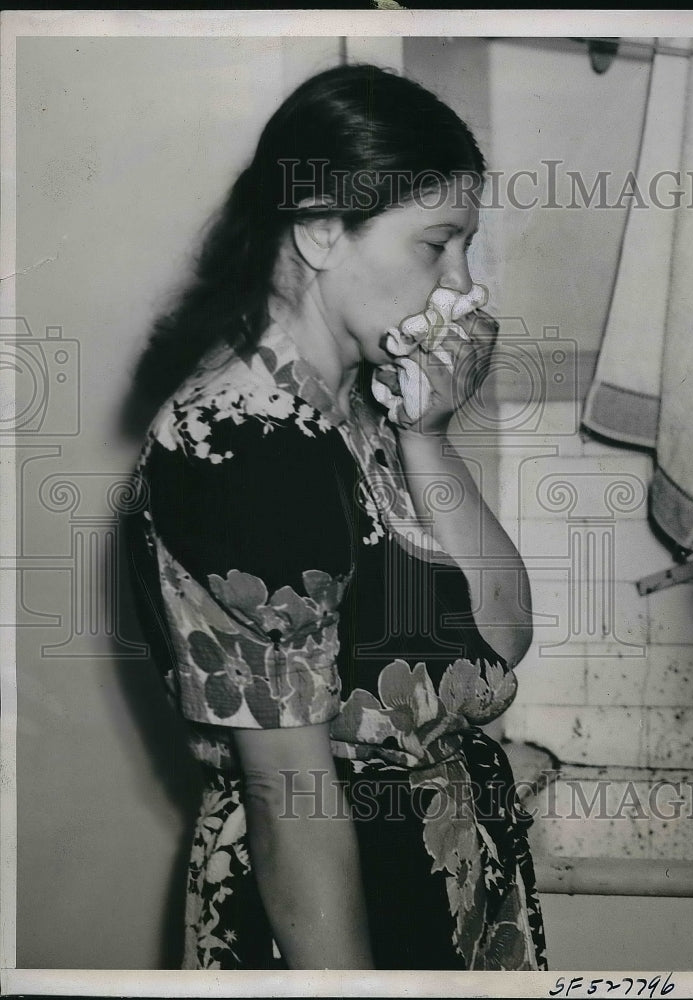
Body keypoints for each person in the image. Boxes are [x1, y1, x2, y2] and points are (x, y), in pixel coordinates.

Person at [126, 62, 547, 972]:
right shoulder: (243, 452)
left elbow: (503, 635)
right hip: (342, 912)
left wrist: (427, 437)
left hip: (439, 876)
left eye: (465, 247)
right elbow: (293, 807)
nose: (460, 288)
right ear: (320, 229)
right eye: (436, 245)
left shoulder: (352, 402)